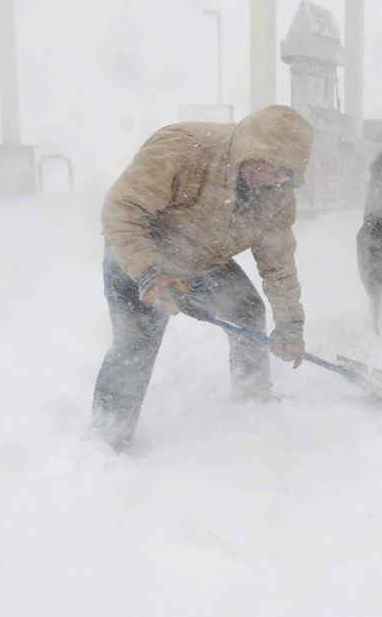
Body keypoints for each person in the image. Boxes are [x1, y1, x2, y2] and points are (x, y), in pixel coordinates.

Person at [93, 105, 314, 450]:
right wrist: (150, 274)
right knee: (135, 343)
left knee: (246, 309)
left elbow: (278, 265)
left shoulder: (277, 197)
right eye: (264, 161)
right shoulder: (182, 147)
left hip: (200, 259)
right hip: (137, 253)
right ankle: (109, 440)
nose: (270, 175)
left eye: (281, 171)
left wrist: (290, 324)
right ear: (246, 146)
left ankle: (252, 398)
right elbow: (121, 212)